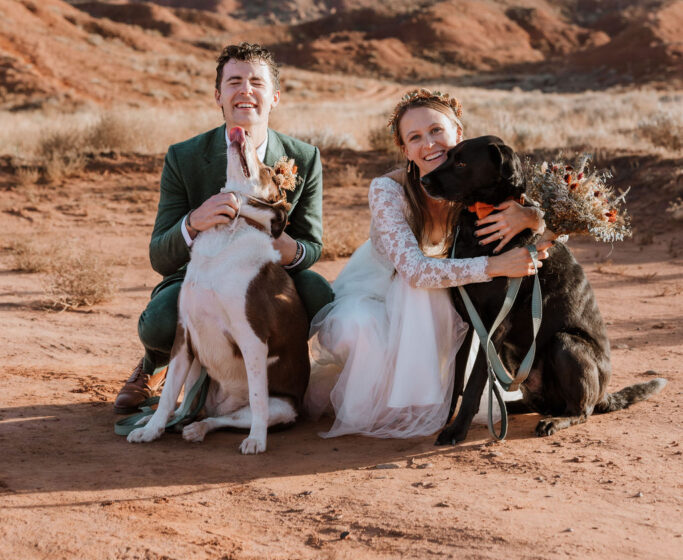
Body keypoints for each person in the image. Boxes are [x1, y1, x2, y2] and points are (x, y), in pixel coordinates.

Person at [305, 88, 551, 438]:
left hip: (445, 292)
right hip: (380, 288)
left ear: (458, 133)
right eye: (415, 137)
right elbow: (416, 272)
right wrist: (496, 266)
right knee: (383, 312)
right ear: (405, 150)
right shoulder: (387, 189)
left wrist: (532, 218)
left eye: (437, 131)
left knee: (437, 298)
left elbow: (564, 222)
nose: (429, 143)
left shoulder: (481, 172)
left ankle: (439, 396)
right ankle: (410, 403)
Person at [114, 41, 334, 413]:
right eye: (234, 82)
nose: (245, 91)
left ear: (275, 96)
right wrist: (192, 223)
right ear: (218, 96)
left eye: (256, 82)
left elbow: (312, 246)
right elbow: (159, 255)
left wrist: (288, 247)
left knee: (320, 296)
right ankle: (155, 364)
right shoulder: (183, 157)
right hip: (203, 277)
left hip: (263, 279)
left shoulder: (304, 158)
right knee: (159, 323)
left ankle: (268, 375)